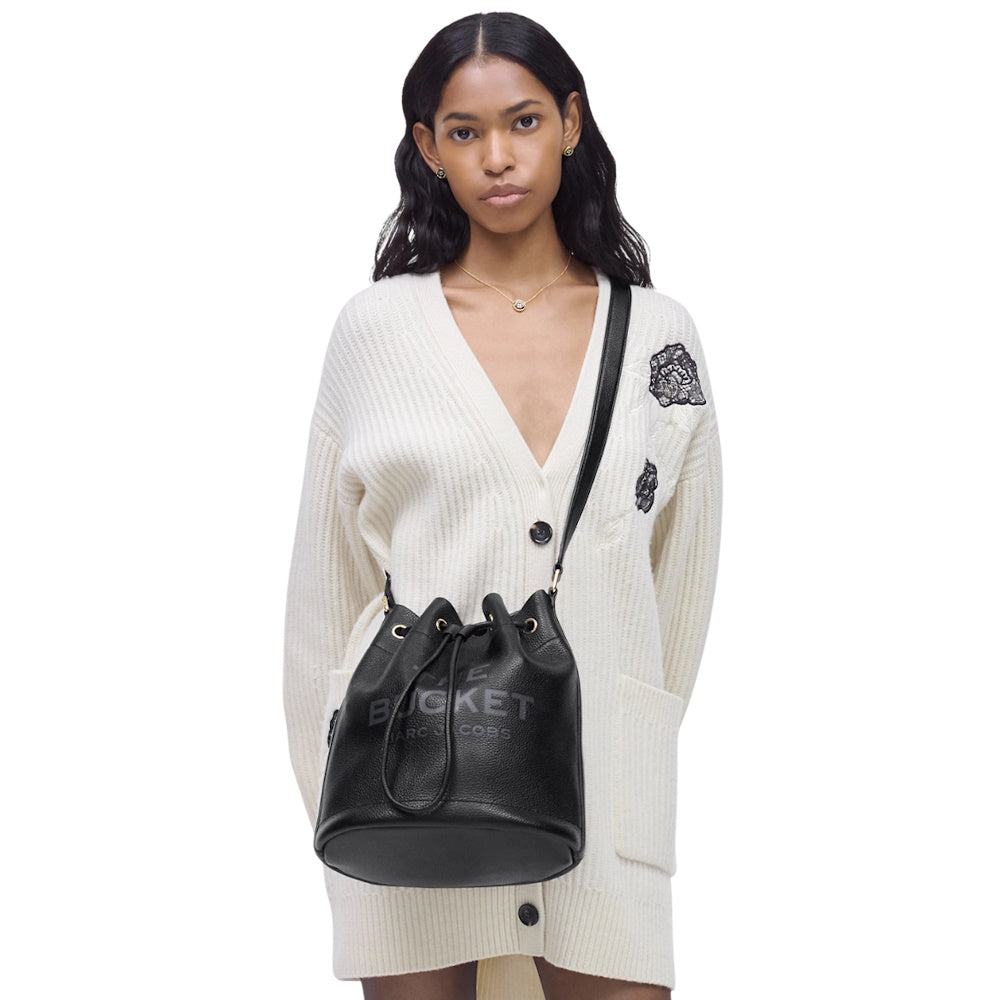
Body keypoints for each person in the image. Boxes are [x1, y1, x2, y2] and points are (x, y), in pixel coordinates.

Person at [283, 11, 722, 1000]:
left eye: (523, 121)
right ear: (428, 148)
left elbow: (679, 593)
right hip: (407, 796)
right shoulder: (374, 332)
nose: (497, 156)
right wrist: (347, 811)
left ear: (571, 122)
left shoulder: (661, 338)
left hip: (606, 813)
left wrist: (619, 747)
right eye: (465, 131)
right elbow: (324, 605)